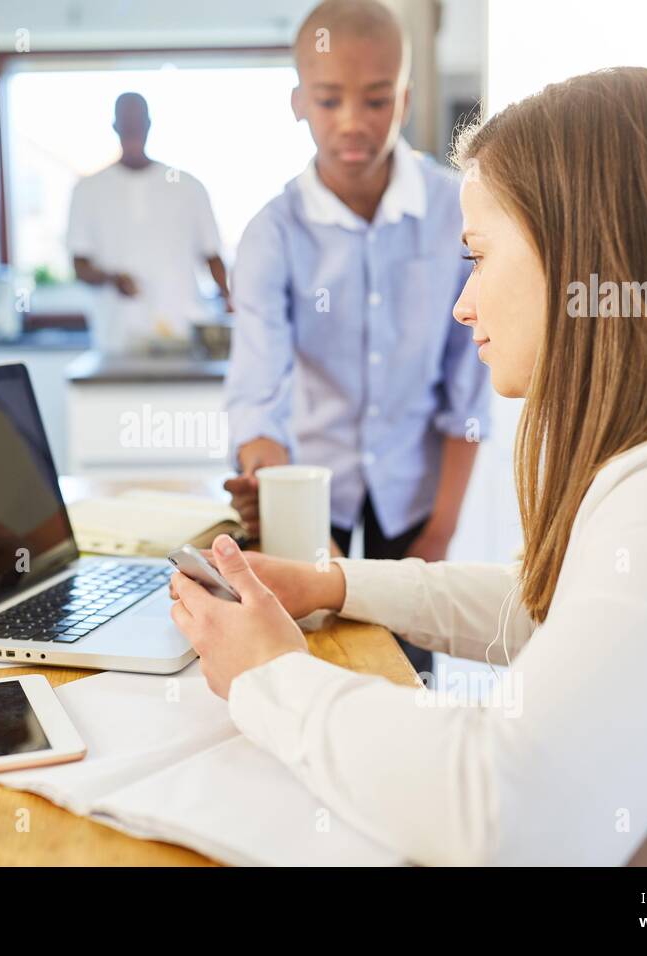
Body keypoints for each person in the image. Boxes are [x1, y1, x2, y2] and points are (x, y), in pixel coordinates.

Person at [170, 66, 647, 865]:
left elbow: (507, 816)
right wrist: (339, 584)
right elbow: (571, 608)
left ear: (589, 259)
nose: (463, 302)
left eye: (479, 257)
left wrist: (268, 677)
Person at [224, 0, 489, 677]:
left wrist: (443, 527)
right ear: (297, 102)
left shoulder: (453, 211)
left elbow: (468, 387)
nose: (351, 122)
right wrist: (264, 475)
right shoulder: (272, 233)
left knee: (409, 666)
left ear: (402, 99)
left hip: (415, 492)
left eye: (375, 100)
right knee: (314, 659)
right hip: (307, 492)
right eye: (328, 98)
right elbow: (260, 387)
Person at [67, 92, 231, 354]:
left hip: (183, 337)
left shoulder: (188, 186)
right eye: (126, 123)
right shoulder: (87, 190)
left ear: (149, 124)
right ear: (115, 127)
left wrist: (230, 300)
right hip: (117, 341)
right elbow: (80, 265)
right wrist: (112, 278)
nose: (132, 130)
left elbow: (212, 254)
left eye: (138, 122)